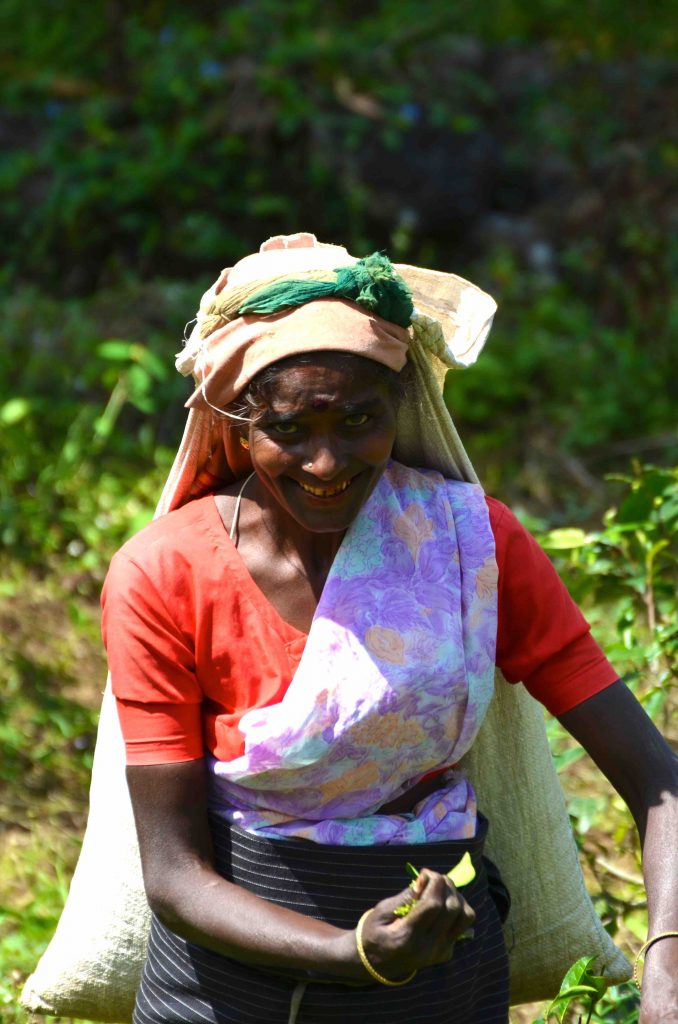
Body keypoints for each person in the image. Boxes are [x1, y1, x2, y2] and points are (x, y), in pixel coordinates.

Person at [102, 234, 677, 1024]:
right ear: (236, 426)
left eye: (359, 420)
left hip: (442, 979)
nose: (326, 460)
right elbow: (172, 874)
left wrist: (667, 967)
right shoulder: (167, 574)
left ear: (399, 411)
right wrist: (353, 953)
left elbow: (658, 781)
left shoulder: (473, 547)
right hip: (223, 989)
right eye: (290, 428)